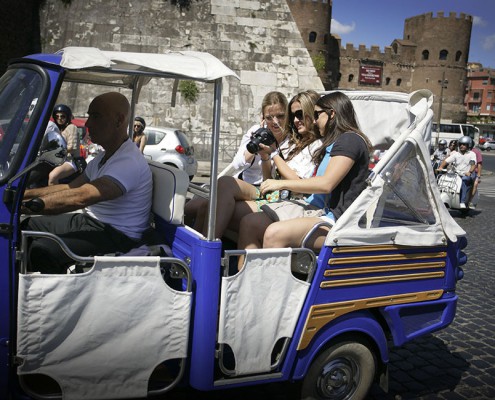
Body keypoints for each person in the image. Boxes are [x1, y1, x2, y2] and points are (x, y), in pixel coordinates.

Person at [21, 92, 153, 274]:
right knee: (25, 226)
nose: (88, 123)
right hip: (92, 221)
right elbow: (69, 187)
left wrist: (26, 205)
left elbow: (81, 196)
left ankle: (58, 300)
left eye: (96, 116)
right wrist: (22, 194)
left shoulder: (128, 161)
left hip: (117, 235)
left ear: (119, 120)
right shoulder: (103, 156)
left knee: (42, 250)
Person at [236, 91, 372, 260]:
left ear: (332, 114)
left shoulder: (350, 140)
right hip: (315, 208)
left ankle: (271, 286)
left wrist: (281, 184)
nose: (314, 121)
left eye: (317, 115)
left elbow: (326, 184)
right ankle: (245, 281)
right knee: (250, 223)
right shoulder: (334, 143)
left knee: (274, 234)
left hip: (337, 220)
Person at [193, 90, 322, 239]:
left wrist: (273, 153)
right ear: (262, 117)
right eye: (269, 117)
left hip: (273, 193)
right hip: (259, 187)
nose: (275, 122)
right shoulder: (257, 131)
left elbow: (292, 182)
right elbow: (239, 164)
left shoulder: (294, 141)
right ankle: (195, 248)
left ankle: (207, 247)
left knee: (213, 203)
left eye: (281, 116)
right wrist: (262, 153)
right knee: (204, 204)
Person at [437, 135, 476, 209]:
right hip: (457, 174)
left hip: (467, 174)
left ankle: (462, 201)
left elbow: (473, 164)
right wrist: (440, 167)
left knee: (464, 180)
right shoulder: (456, 154)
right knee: (444, 179)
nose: (462, 146)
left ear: (468, 145)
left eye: (464, 144)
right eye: (460, 144)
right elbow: (446, 161)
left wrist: (470, 171)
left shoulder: (471, 154)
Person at [47, 104, 83, 185]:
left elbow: (72, 147)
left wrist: (59, 152)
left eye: (62, 116)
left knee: (53, 176)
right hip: (60, 160)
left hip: (71, 161)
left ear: (68, 117)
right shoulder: (58, 129)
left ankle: (53, 197)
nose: (59, 118)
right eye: (57, 116)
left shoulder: (71, 127)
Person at [468, 140, 482, 209]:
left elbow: (479, 164)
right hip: (464, 171)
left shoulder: (476, 151)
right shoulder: (462, 150)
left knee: (475, 184)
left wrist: (478, 175)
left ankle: (470, 201)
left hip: (474, 172)